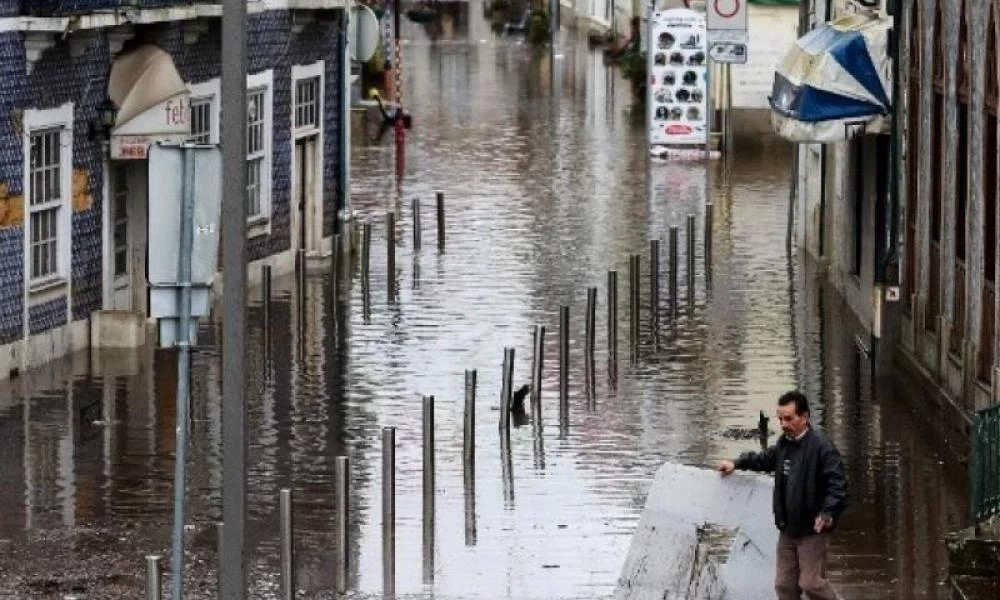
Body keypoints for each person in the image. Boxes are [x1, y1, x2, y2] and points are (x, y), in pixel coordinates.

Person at [717, 391, 847, 600]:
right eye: (780, 419)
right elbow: (764, 459)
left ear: (805, 417)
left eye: (789, 418)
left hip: (813, 530)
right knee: (784, 586)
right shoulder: (784, 444)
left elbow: (837, 485)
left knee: (811, 583)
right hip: (787, 530)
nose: (784, 424)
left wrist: (827, 512)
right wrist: (736, 463)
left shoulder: (822, 447)